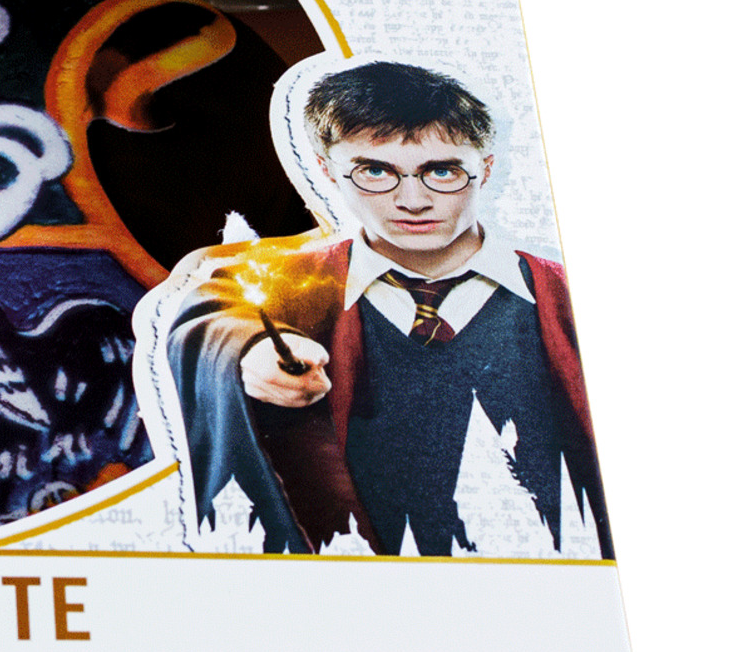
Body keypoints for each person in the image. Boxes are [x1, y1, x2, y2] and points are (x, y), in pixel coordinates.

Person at [158, 59, 609, 556]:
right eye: (375, 171)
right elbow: (214, 312)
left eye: (442, 171)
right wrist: (250, 349)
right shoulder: (289, 287)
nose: (412, 200)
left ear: (485, 168)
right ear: (327, 171)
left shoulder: (573, 295)